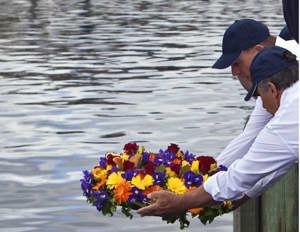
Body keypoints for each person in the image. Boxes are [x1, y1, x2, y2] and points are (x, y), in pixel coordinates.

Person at [137, 46, 298, 216]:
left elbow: (239, 178)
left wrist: (181, 201)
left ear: (272, 89)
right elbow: (281, 161)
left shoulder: (286, 119)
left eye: (260, 96)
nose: (263, 106)